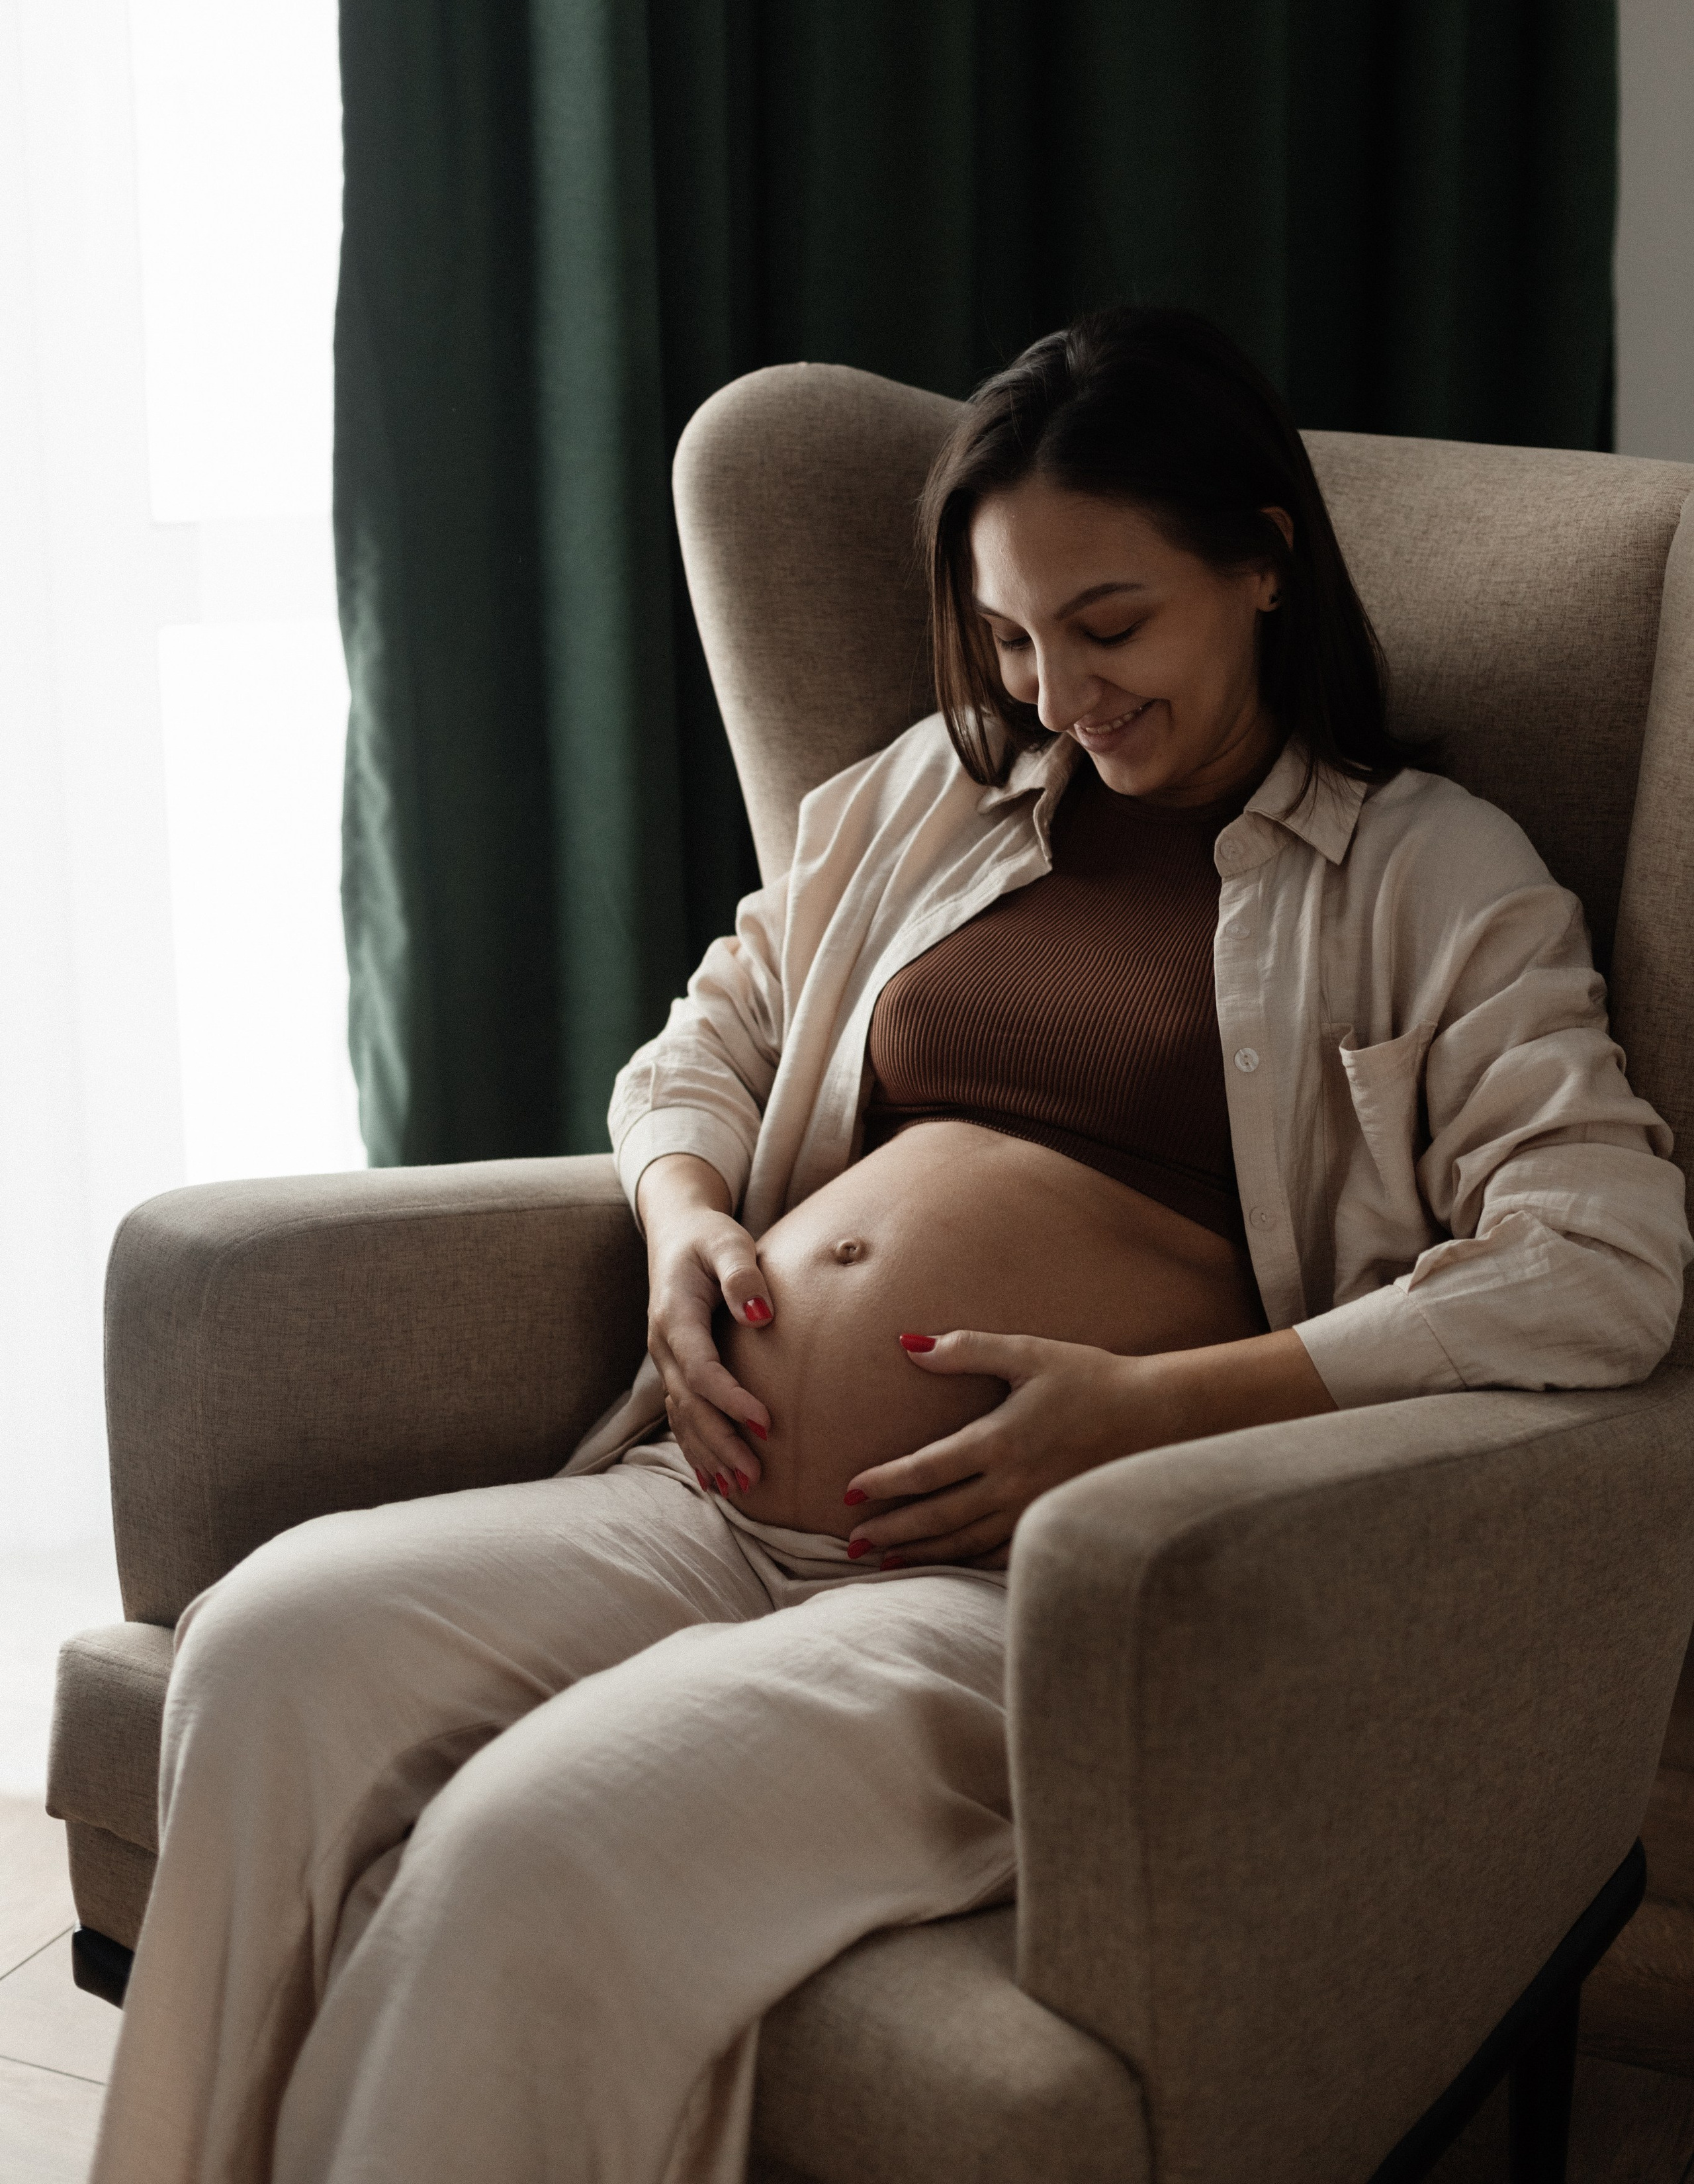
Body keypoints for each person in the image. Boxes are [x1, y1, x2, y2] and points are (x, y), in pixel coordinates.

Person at [91, 308, 1691, 2184]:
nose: (1059, 690)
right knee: (266, 1646)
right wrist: (686, 1220)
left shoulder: (1430, 874)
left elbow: (1604, 1256)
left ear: (1262, 561)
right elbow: (710, 1036)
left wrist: (1157, 1409)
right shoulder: (939, 798)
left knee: (533, 1846)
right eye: (1013, 634)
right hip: (708, 1494)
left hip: (1019, 1588)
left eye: (1111, 624)